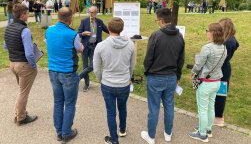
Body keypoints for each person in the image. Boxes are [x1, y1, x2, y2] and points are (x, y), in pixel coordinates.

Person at [141, 8, 185, 144]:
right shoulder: (179, 36)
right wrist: (178, 76)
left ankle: (151, 136)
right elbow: (181, 60)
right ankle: (168, 134)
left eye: (156, 20)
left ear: (161, 20)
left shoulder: (156, 35)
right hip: (171, 76)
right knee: (169, 105)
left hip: (155, 76)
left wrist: (147, 71)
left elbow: (148, 58)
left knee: (154, 107)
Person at [93, 17, 135, 144]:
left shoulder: (100, 46)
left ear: (109, 29)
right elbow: (132, 66)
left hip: (107, 84)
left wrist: (101, 80)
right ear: (121, 29)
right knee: (122, 108)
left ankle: (114, 139)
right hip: (124, 83)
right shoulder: (130, 45)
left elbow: (96, 68)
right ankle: (122, 129)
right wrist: (128, 78)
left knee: (111, 112)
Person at [46, 7, 84, 143]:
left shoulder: (49, 31)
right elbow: (79, 49)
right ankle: (66, 132)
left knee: (57, 102)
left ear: (58, 17)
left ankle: (59, 131)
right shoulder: (73, 34)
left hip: (53, 72)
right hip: (68, 73)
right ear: (70, 19)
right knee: (69, 103)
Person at [188, 23, 227, 142]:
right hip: (216, 81)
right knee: (211, 106)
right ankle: (208, 130)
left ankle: (202, 134)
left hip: (206, 82)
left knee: (203, 109)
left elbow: (199, 64)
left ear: (213, 33)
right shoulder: (224, 47)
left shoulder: (207, 48)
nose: (206, 32)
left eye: (207, 30)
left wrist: (193, 72)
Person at [4, 4, 38, 126]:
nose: (28, 15)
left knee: (21, 90)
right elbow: (29, 53)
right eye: (27, 13)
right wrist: (34, 66)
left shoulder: (8, 27)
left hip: (12, 63)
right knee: (23, 92)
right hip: (24, 65)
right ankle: (21, 117)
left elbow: (5, 46)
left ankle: (20, 113)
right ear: (23, 14)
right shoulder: (25, 30)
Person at [214, 18, 239, 126]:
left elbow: (221, 58)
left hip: (222, 70)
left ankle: (218, 117)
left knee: (220, 94)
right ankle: (216, 115)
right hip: (222, 68)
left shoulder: (229, 42)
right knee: (217, 93)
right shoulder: (228, 40)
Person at [78, 6, 109, 92]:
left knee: (93, 66)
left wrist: (118, 31)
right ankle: (86, 84)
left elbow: (108, 30)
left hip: (95, 47)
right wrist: (83, 33)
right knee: (85, 66)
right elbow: (78, 33)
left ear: (96, 12)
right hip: (85, 46)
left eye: (93, 12)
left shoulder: (99, 22)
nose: (91, 14)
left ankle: (78, 77)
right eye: (90, 12)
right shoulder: (84, 21)